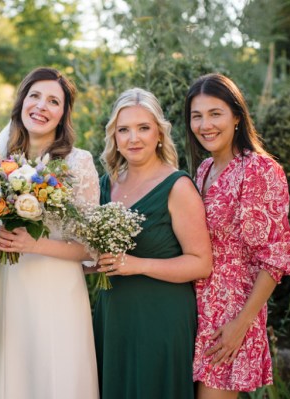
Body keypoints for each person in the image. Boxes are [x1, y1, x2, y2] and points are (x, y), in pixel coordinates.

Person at [0, 67, 100, 399]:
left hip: (58, 290)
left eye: (53, 101)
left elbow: (89, 249)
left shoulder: (78, 163)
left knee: (56, 376)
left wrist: (36, 244)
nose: (41, 106)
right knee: (11, 377)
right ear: (22, 101)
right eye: (34, 96)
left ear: (63, 114)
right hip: (8, 288)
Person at [93, 88, 212, 399]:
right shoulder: (106, 183)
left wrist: (136, 264)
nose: (134, 138)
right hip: (112, 315)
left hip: (161, 319)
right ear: (114, 137)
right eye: (124, 130)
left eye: (143, 128)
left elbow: (201, 262)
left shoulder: (178, 186)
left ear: (159, 133)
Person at [185, 73, 290, 398]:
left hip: (229, 318)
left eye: (215, 113)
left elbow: (274, 259)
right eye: (197, 116)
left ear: (236, 116)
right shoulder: (203, 170)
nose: (205, 124)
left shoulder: (259, 170)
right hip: (192, 312)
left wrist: (240, 325)